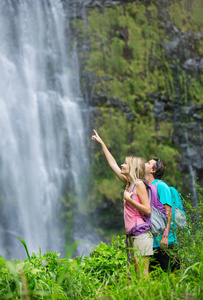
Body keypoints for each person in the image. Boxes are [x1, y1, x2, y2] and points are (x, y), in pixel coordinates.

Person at [92, 129, 153, 276]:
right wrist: (102, 144)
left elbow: (147, 210)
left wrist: (129, 199)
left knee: (142, 276)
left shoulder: (138, 184)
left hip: (141, 235)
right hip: (132, 235)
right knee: (134, 275)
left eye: (125, 164)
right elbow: (112, 164)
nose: (122, 165)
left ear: (132, 167)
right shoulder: (128, 183)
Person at [145, 158, 179, 272]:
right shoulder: (145, 186)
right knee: (153, 274)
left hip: (163, 240)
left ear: (153, 170)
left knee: (170, 272)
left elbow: (167, 211)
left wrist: (165, 236)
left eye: (148, 163)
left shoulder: (161, 186)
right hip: (152, 240)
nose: (145, 163)